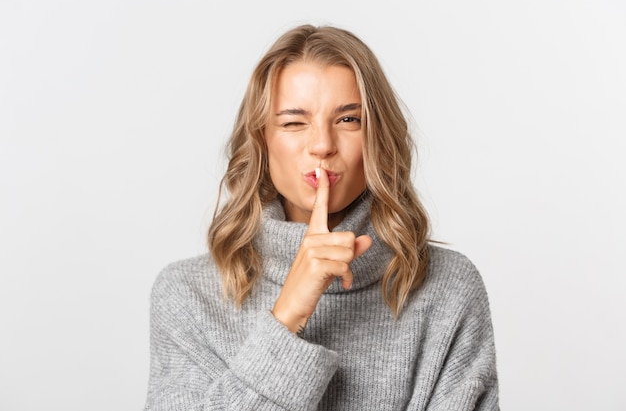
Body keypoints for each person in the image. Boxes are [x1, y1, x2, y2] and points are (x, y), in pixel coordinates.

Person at [144, 24, 499, 410]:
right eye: (294, 122)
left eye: (349, 120)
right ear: (262, 141)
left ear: (378, 137)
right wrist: (288, 314)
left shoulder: (449, 287)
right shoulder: (187, 295)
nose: (323, 145)